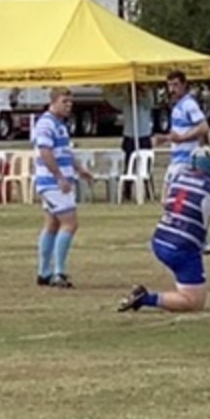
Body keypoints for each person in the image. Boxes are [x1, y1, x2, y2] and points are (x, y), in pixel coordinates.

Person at [118, 147, 210, 314]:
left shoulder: (179, 176)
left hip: (160, 238)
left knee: (189, 289)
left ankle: (150, 296)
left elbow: (166, 201)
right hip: (182, 247)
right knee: (194, 302)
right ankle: (145, 298)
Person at [33, 87, 95, 289]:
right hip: (52, 183)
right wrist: (59, 177)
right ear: (53, 102)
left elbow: (64, 152)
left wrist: (79, 169)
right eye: (64, 102)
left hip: (55, 181)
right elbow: (45, 152)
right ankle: (59, 271)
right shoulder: (46, 123)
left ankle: (44, 272)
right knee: (70, 223)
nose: (68, 106)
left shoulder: (59, 124)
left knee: (52, 224)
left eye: (70, 102)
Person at [159, 71, 210, 181]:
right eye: (170, 85)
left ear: (184, 84)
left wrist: (182, 138)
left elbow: (203, 127)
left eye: (175, 84)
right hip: (177, 160)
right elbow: (181, 132)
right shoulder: (178, 105)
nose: (172, 89)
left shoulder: (189, 104)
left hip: (186, 162)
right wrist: (166, 138)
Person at [104, 84, 156, 166]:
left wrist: (141, 93)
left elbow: (150, 103)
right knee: (129, 163)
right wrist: (108, 91)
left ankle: (145, 177)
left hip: (143, 135)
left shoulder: (146, 97)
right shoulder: (125, 100)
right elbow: (113, 101)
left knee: (145, 163)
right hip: (129, 135)